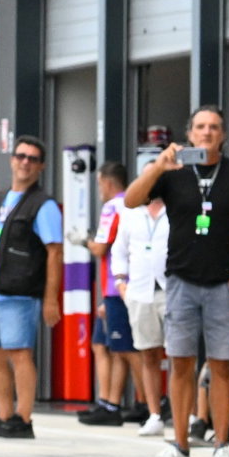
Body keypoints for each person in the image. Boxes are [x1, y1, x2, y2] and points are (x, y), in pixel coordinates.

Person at [126, 107, 229, 457]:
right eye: (200, 127)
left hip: (223, 282)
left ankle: (222, 443)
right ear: (189, 134)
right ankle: (179, 444)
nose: (207, 133)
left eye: (214, 128)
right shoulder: (173, 172)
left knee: (221, 364)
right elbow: (130, 200)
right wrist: (158, 166)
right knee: (180, 362)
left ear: (223, 135)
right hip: (179, 280)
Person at [0, 136, 63, 439]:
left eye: (33, 158)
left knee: (19, 352)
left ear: (42, 166)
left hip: (20, 291)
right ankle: (3, 414)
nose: (25, 162)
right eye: (21, 156)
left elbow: (54, 252)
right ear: (11, 160)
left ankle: (23, 419)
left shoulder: (44, 205)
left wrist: (50, 299)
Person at [81, 162, 145, 426]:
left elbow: (100, 248)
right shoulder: (136, 203)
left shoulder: (112, 207)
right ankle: (111, 403)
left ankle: (152, 402)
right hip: (128, 284)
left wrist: (83, 241)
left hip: (115, 287)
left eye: (99, 184)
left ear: (107, 182)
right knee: (113, 347)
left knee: (127, 349)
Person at [112, 194, 170, 436]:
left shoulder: (176, 208)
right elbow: (119, 251)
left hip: (171, 289)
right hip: (140, 291)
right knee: (148, 353)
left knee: (181, 354)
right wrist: (120, 284)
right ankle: (154, 414)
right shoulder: (131, 214)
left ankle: (184, 413)